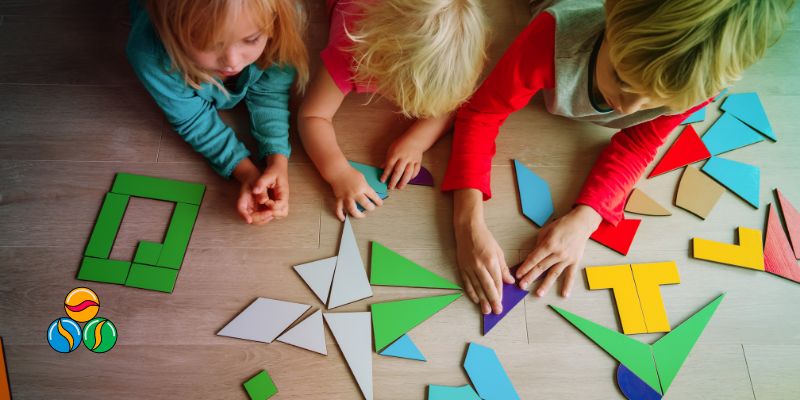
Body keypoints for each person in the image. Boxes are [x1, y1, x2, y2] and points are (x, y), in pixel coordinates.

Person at [444, 0, 795, 314]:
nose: (628, 107)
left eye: (656, 104)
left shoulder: (693, 85)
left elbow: (639, 144)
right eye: (621, 80)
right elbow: (481, 114)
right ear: (610, 20)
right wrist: (466, 223)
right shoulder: (552, 36)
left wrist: (588, 217)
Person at [298, 0, 488, 221]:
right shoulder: (349, 53)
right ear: (384, 66)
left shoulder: (457, 59)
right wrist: (339, 173)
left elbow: (453, 104)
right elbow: (312, 116)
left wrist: (416, 141)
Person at [127, 0, 309, 225]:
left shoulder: (283, 22)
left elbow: (270, 91)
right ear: (174, 32)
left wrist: (277, 159)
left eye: (251, 39)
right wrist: (244, 172)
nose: (232, 62)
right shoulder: (149, 52)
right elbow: (193, 120)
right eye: (210, 44)